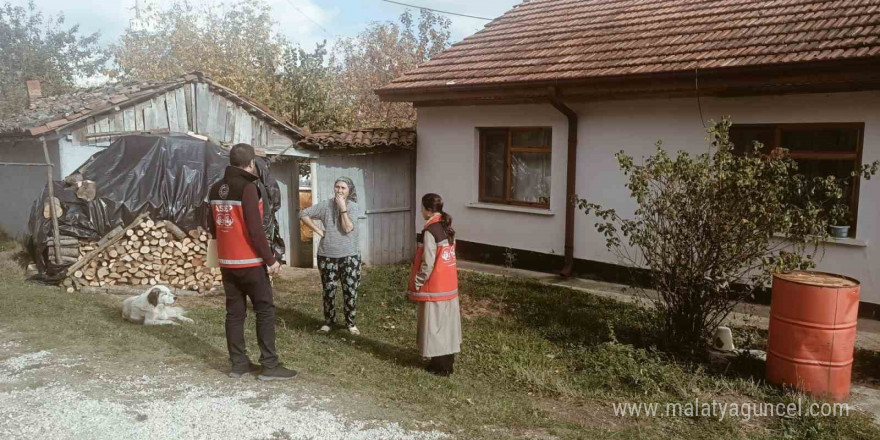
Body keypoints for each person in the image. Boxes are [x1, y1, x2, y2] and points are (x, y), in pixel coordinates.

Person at [208, 143, 297, 381]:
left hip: (227, 263)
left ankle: (238, 364)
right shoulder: (249, 188)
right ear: (250, 164)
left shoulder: (215, 189)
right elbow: (256, 230)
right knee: (264, 311)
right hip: (250, 261)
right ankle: (269, 365)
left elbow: (213, 227)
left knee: (234, 314)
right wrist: (271, 260)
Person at [300, 177, 362, 335]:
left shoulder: (353, 207)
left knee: (350, 291)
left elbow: (347, 228)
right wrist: (319, 231)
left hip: (349, 256)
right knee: (329, 291)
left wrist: (342, 208)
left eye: (343, 188)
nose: (340, 191)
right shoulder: (325, 205)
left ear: (349, 191)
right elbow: (303, 213)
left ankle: (351, 323)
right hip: (327, 255)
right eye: (337, 187)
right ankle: (329, 322)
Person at [407, 193, 461, 376]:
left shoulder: (430, 231)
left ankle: (439, 366)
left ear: (428, 210)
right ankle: (448, 361)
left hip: (435, 286)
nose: (421, 211)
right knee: (447, 325)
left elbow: (428, 262)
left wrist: (417, 281)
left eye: (422, 207)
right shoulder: (447, 227)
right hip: (449, 284)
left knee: (434, 325)